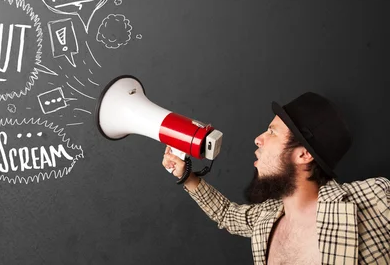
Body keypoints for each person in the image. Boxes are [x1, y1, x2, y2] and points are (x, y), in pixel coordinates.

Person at [162, 92, 390, 264]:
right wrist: (187, 176)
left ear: (303, 154)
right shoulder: (266, 218)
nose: (258, 139)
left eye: (272, 132)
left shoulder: (376, 198)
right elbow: (226, 214)